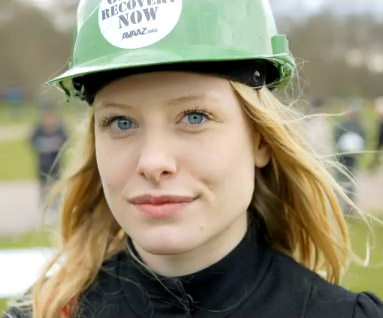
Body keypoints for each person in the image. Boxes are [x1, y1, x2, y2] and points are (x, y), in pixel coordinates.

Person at [3, 0, 383, 317]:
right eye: (121, 121)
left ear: (260, 140)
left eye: (194, 117)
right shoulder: (43, 311)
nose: (153, 162)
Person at [29, 104, 67, 207]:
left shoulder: (59, 129)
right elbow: (31, 141)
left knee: (56, 181)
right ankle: (43, 200)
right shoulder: (39, 129)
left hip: (55, 161)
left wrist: (58, 143)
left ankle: (56, 200)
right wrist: (40, 145)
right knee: (43, 182)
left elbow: (66, 140)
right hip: (43, 162)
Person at [334, 100, 365, 210]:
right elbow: (363, 140)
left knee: (341, 179)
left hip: (342, 156)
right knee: (349, 180)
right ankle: (349, 205)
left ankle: (340, 204)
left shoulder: (342, 125)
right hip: (352, 156)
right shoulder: (359, 126)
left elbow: (336, 138)